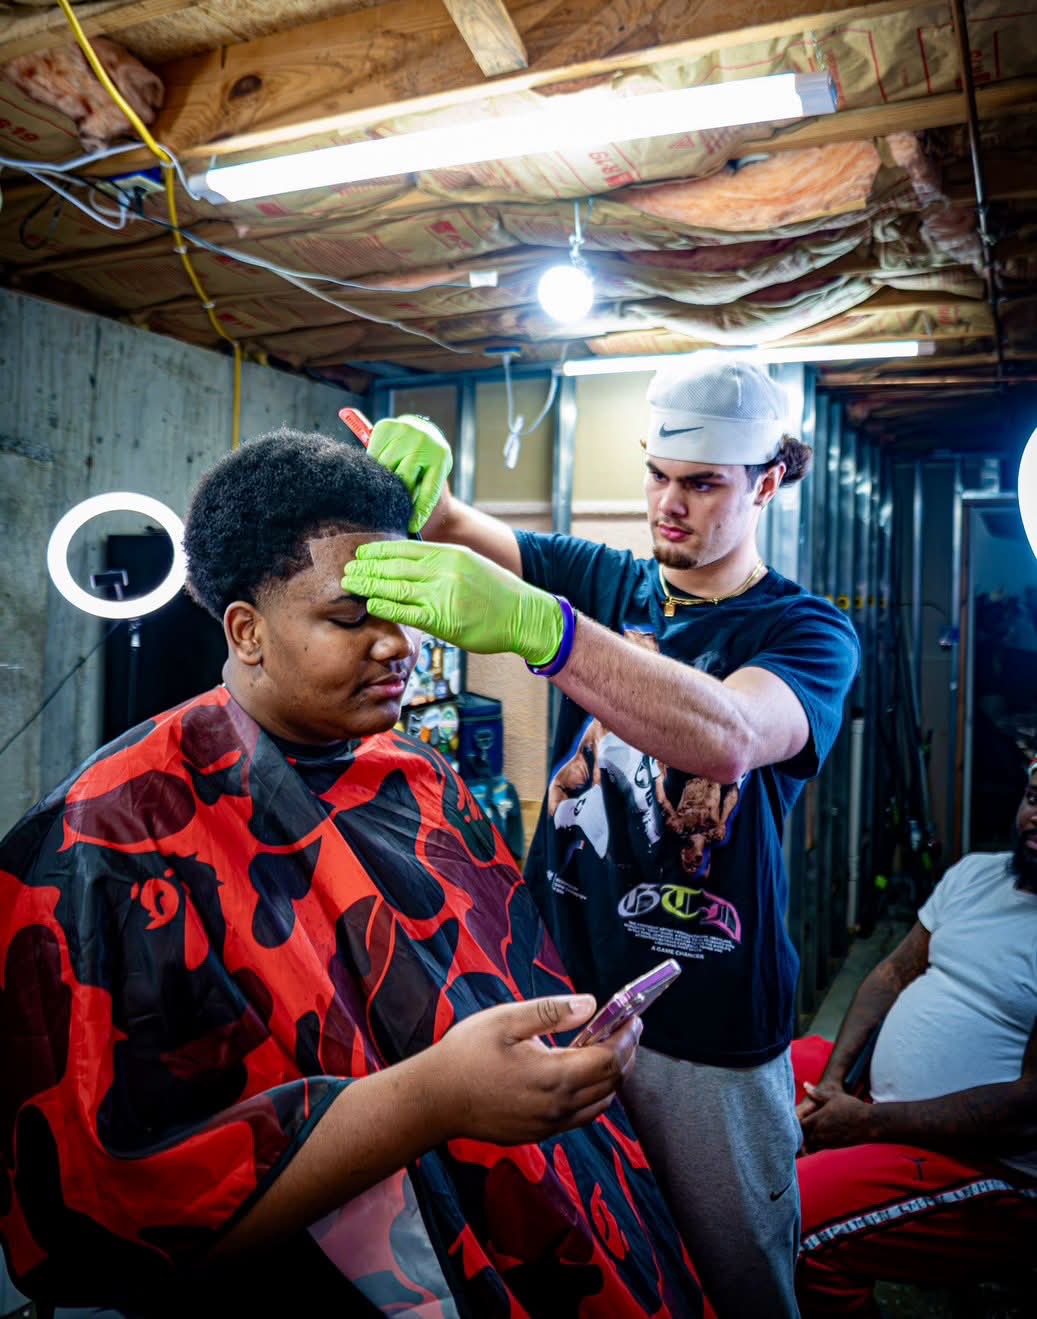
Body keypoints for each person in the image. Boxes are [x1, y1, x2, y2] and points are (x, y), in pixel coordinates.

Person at [0, 430, 702, 1319]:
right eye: (350, 616)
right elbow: (93, 1216)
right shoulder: (98, 844)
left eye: (402, 610)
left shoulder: (418, 774)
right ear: (246, 630)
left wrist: (565, 1051)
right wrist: (434, 1099)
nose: (397, 644)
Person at [344, 352, 861, 1317]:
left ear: (770, 478)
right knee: (591, 1259)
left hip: (705, 1023)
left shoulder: (807, 631)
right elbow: (452, 527)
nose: (670, 505)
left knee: (742, 1279)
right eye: (658, 476)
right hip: (561, 986)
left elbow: (731, 734)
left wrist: (551, 631)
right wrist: (418, 475)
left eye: (702, 484)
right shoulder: (607, 579)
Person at [792, 760, 1037, 1315]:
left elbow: (1028, 1101)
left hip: (985, 1163)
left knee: (793, 1220)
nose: (1033, 817)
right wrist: (833, 1084)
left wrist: (865, 1124)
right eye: (1031, 797)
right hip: (880, 1109)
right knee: (760, 1078)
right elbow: (891, 973)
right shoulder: (978, 874)